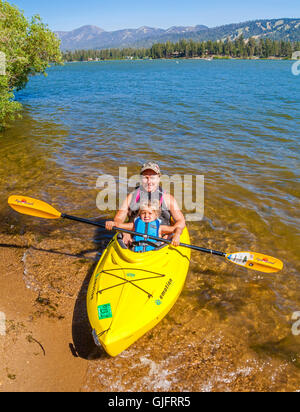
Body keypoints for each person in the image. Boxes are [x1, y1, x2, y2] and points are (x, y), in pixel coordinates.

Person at [106, 162, 186, 247]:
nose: (149, 181)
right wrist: (125, 232)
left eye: (152, 178)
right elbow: (119, 218)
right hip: (133, 236)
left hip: (162, 239)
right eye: (145, 177)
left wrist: (174, 235)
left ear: (158, 179)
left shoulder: (168, 198)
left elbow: (181, 221)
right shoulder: (132, 196)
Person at [106, 200, 182, 250]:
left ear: (156, 215)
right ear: (140, 215)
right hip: (135, 254)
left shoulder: (159, 228)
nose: (146, 216)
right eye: (143, 213)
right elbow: (120, 225)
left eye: (150, 213)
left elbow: (176, 229)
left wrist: (177, 235)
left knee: (167, 237)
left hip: (153, 253)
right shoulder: (135, 226)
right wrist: (112, 224)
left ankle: (166, 239)